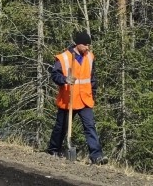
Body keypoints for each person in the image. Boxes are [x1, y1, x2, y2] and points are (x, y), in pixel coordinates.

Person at [45, 31, 108, 165]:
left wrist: (93, 94)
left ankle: (96, 156)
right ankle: (53, 150)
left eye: (88, 45)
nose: (87, 47)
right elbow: (54, 76)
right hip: (69, 99)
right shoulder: (64, 58)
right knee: (61, 127)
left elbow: (92, 78)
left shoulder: (90, 57)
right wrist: (65, 79)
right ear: (78, 44)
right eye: (85, 45)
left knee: (90, 127)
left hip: (85, 99)